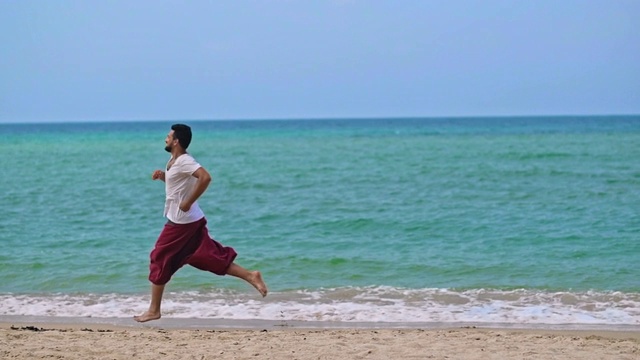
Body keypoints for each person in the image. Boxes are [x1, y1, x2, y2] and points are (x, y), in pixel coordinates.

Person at [134, 124, 267, 323]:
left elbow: (205, 177)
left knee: (159, 258)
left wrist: (187, 203)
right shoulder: (174, 161)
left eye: (168, 136)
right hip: (190, 221)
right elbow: (179, 186)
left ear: (176, 141)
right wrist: (164, 177)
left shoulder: (185, 161)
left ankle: (154, 310)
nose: (165, 139)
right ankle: (250, 275)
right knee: (208, 257)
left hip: (181, 224)